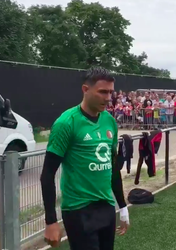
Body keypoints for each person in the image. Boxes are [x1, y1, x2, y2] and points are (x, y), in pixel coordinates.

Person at [40, 67, 129, 250]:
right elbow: (47, 175)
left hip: (106, 207)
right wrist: (51, 221)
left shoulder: (109, 121)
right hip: (79, 210)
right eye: (103, 92)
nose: (108, 98)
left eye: (111, 92)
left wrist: (123, 206)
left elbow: (112, 168)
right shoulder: (66, 123)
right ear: (85, 89)